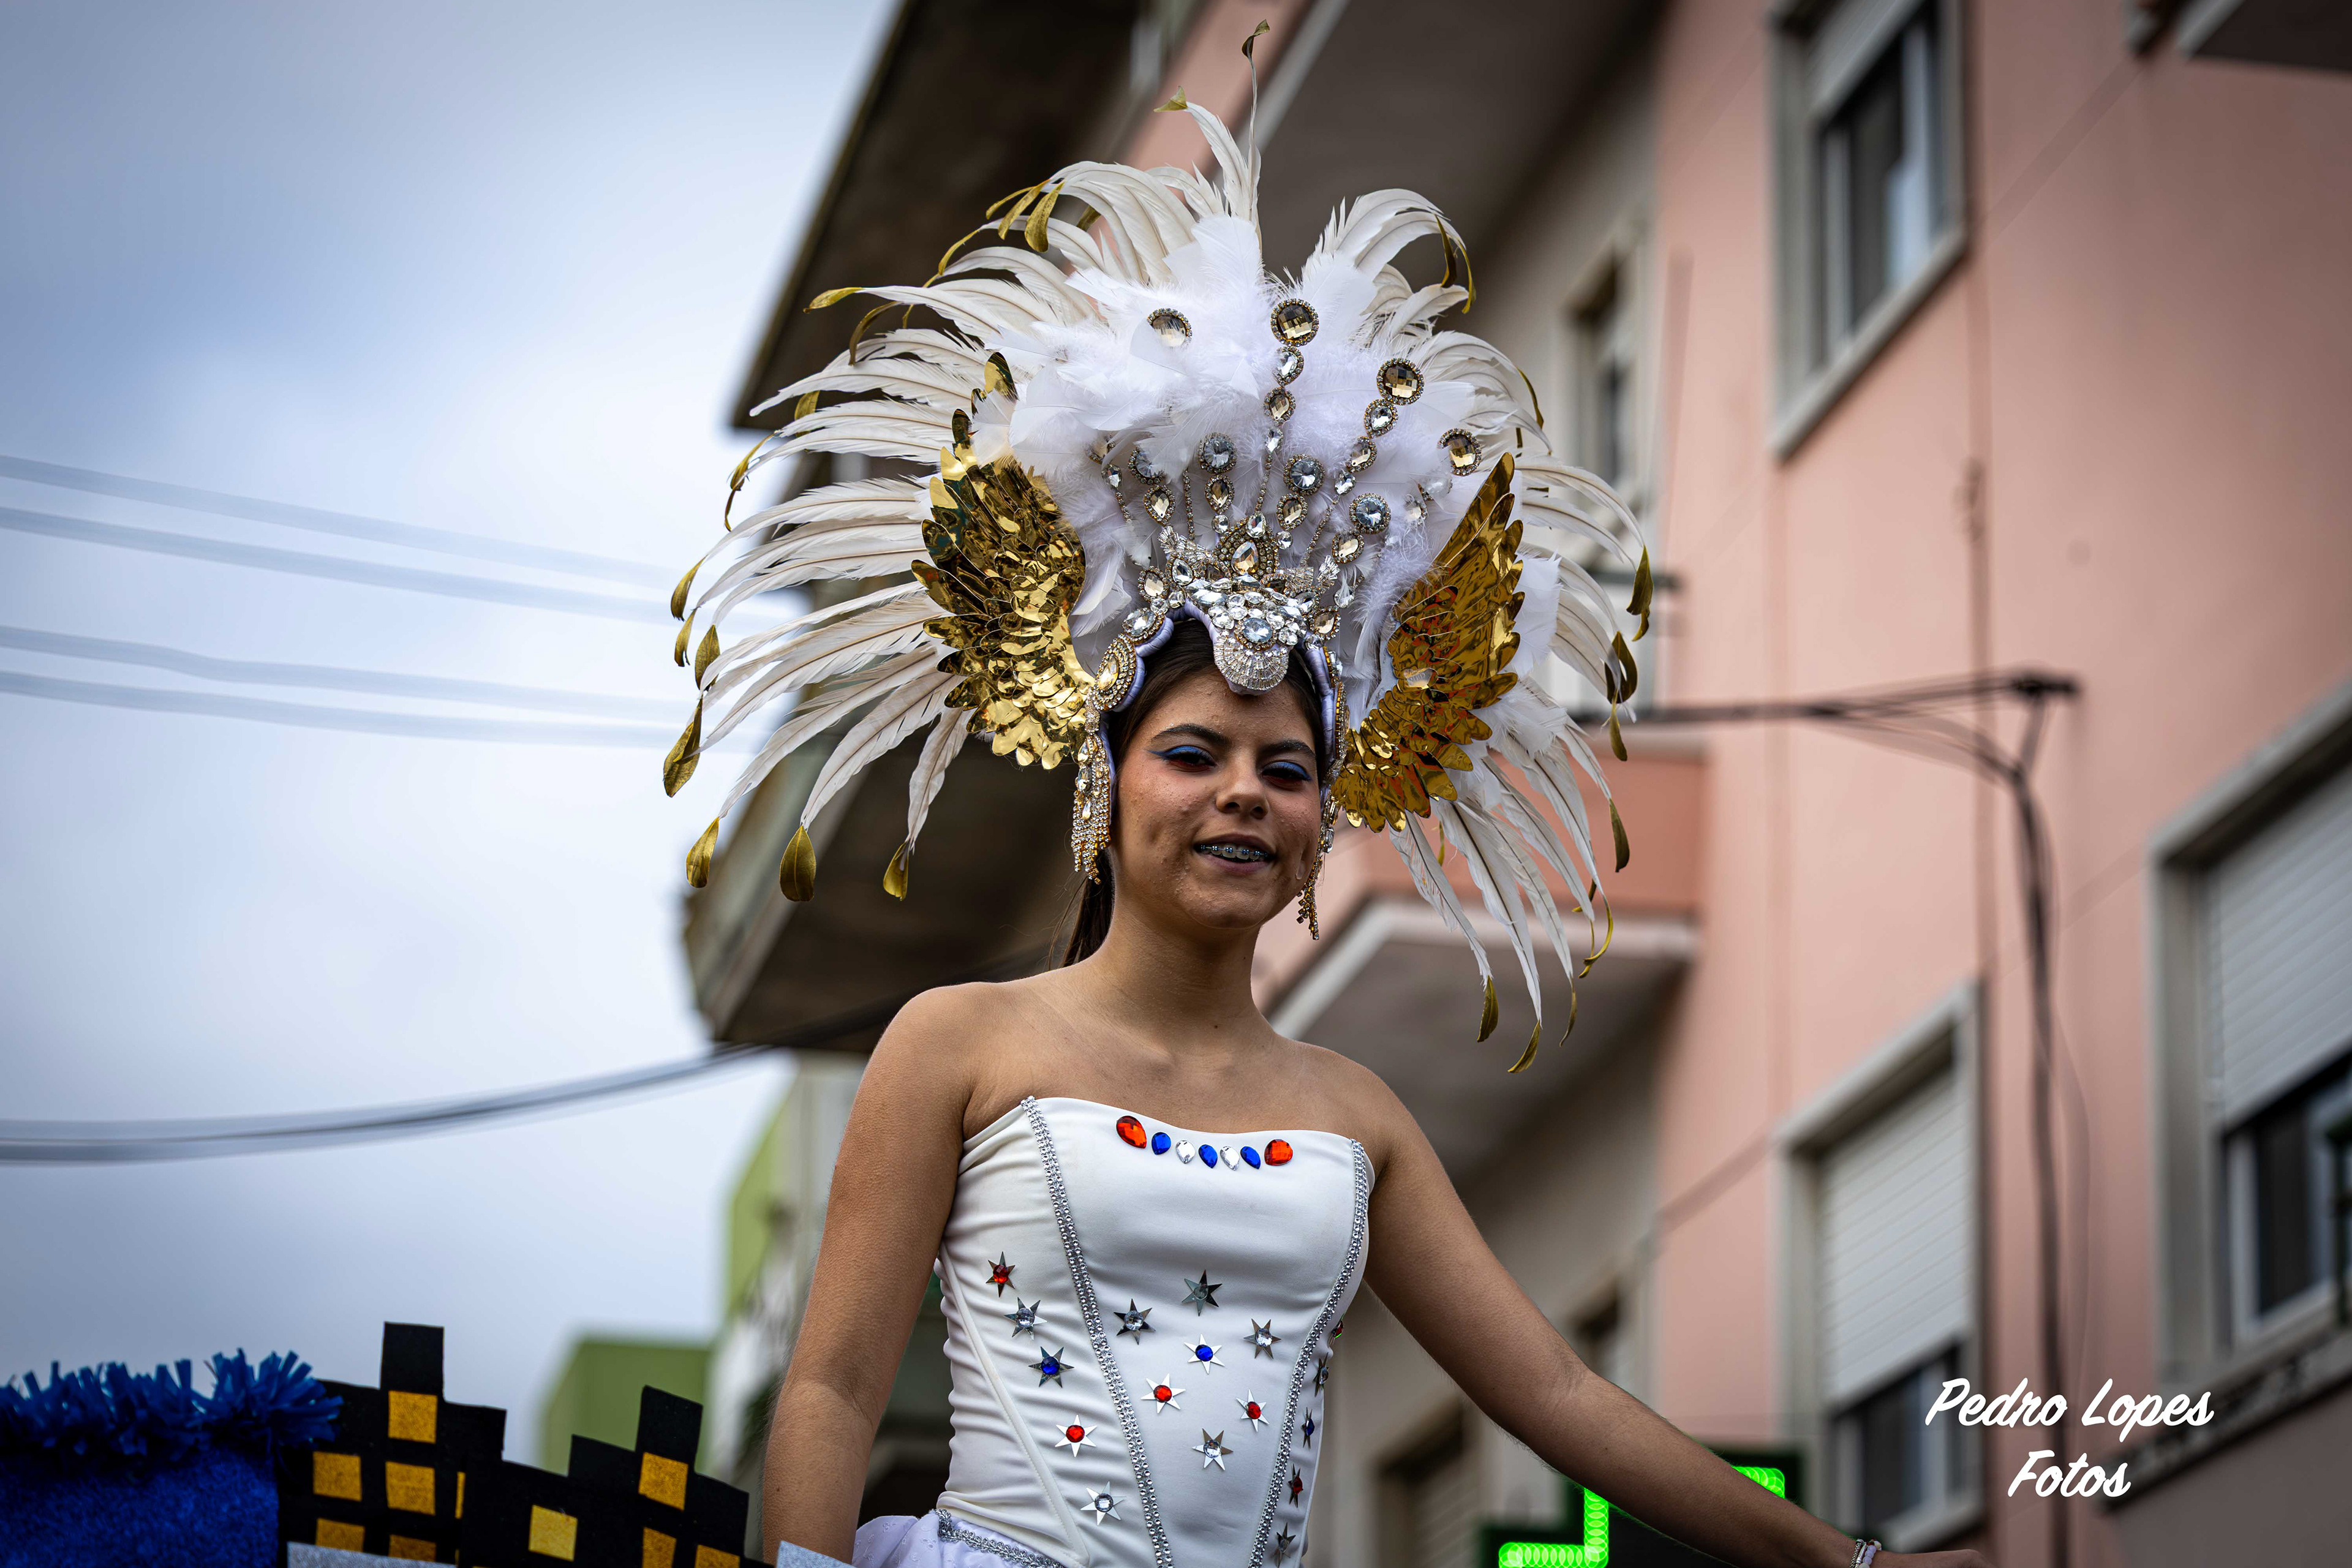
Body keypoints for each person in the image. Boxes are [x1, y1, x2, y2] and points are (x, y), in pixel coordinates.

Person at [664, 71, 1992, 1568]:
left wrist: (1850, 1561)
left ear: (1321, 820)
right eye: (1194, 753)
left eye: (1286, 768)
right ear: (1106, 781)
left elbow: (1557, 1395)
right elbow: (832, 1384)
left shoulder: (1358, 1114)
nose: (1244, 789)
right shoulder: (956, 1043)